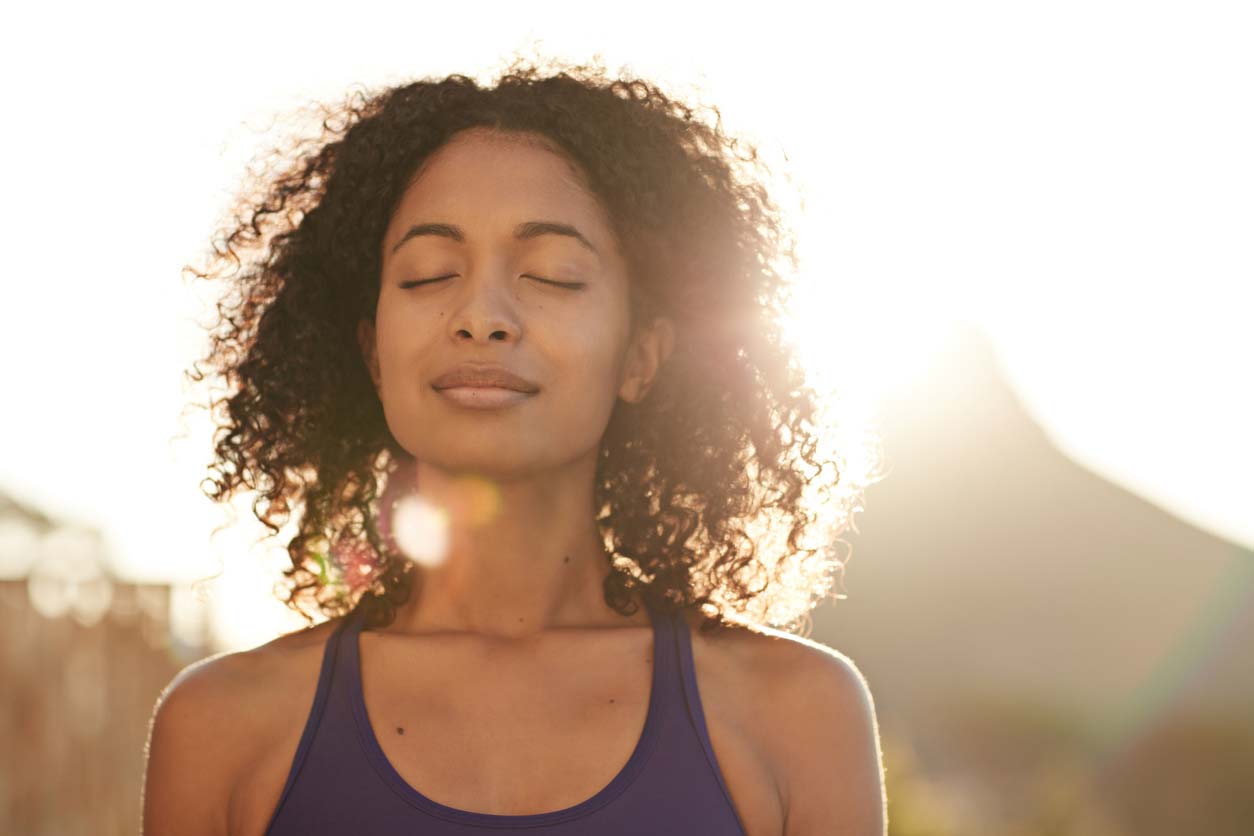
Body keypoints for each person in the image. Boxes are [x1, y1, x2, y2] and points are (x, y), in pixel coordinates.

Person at [141, 54, 887, 836]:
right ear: (372, 354)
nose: (481, 315)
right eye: (429, 274)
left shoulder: (795, 714)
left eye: (554, 275)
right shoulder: (222, 730)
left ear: (641, 356)